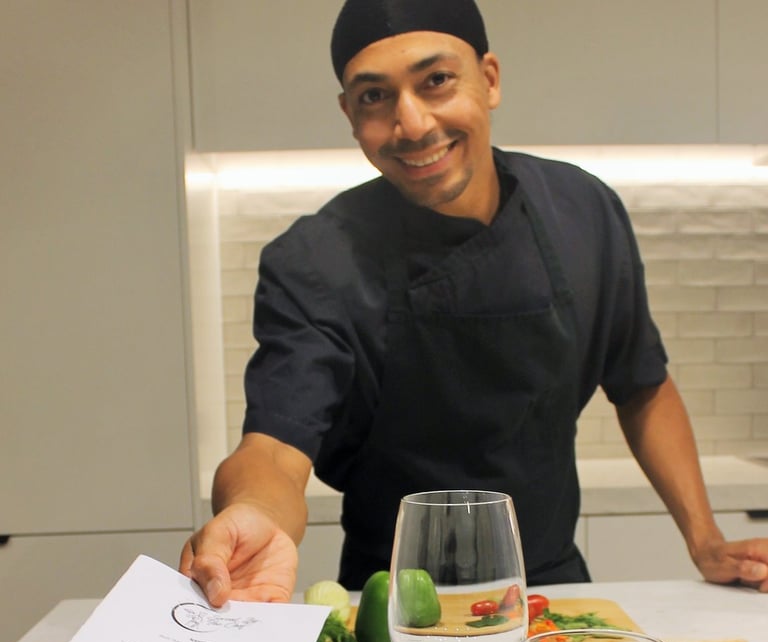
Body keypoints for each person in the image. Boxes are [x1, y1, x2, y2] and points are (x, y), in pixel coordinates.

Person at [181, 0, 768, 605]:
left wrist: (705, 539)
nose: (411, 124)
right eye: (375, 97)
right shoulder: (314, 260)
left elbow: (642, 384)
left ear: (489, 79)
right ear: (350, 116)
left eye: (435, 81)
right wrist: (253, 511)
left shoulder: (581, 211)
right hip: (394, 602)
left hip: (554, 591)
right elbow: (274, 449)